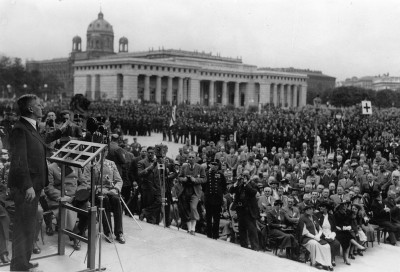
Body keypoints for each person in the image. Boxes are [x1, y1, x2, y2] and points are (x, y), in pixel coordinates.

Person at [8, 94, 70, 272]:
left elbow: (42, 141)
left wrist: (62, 129)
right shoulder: (20, 129)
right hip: (25, 188)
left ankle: (23, 263)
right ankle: (18, 267)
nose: (42, 107)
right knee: (22, 226)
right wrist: (27, 185)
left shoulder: (30, 127)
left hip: (33, 186)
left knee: (28, 225)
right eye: (39, 105)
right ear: (30, 109)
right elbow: (19, 161)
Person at [82, 150, 126, 244]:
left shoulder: (111, 163)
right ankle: (108, 232)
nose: (101, 154)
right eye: (99, 152)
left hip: (111, 191)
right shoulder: (90, 164)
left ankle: (119, 233)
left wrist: (115, 190)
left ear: (106, 153)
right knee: (104, 200)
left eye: (104, 152)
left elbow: (119, 180)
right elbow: (86, 183)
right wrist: (98, 189)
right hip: (97, 192)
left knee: (116, 200)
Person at [229, 171, 260, 251]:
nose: (244, 177)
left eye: (246, 176)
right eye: (243, 176)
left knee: (252, 229)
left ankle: (255, 248)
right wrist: (236, 182)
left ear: (249, 177)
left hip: (249, 211)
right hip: (240, 209)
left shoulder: (252, 184)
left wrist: (247, 184)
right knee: (241, 228)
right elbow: (231, 190)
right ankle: (244, 246)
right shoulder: (239, 184)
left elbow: (253, 192)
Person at [298, 203, 333, 271]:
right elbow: (305, 232)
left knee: (327, 245)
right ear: (306, 211)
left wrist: (319, 235)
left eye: (311, 209)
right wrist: (314, 237)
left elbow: (320, 228)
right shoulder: (302, 218)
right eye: (309, 209)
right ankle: (316, 262)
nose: (311, 210)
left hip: (317, 236)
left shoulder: (314, 217)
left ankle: (327, 263)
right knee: (315, 244)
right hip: (306, 238)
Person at [178, 151, 206, 234]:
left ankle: (193, 228)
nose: (191, 159)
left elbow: (204, 179)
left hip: (195, 191)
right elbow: (179, 177)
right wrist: (185, 179)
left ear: (196, 158)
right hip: (185, 190)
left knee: (193, 207)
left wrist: (195, 180)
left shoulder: (200, 167)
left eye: (192, 157)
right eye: (189, 157)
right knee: (186, 209)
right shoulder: (184, 167)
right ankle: (189, 229)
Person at [204, 161, 227, 239]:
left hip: (217, 199)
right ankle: (209, 234)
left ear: (218, 167)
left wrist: (221, 195)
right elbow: (203, 186)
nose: (214, 166)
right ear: (210, 165)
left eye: (216, 165)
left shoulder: (221, 175)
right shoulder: (206, 174)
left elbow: (224, 186)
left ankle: (215, 235)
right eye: (213, 165)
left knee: (216, 218)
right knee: (208, 217)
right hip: (209, 198)